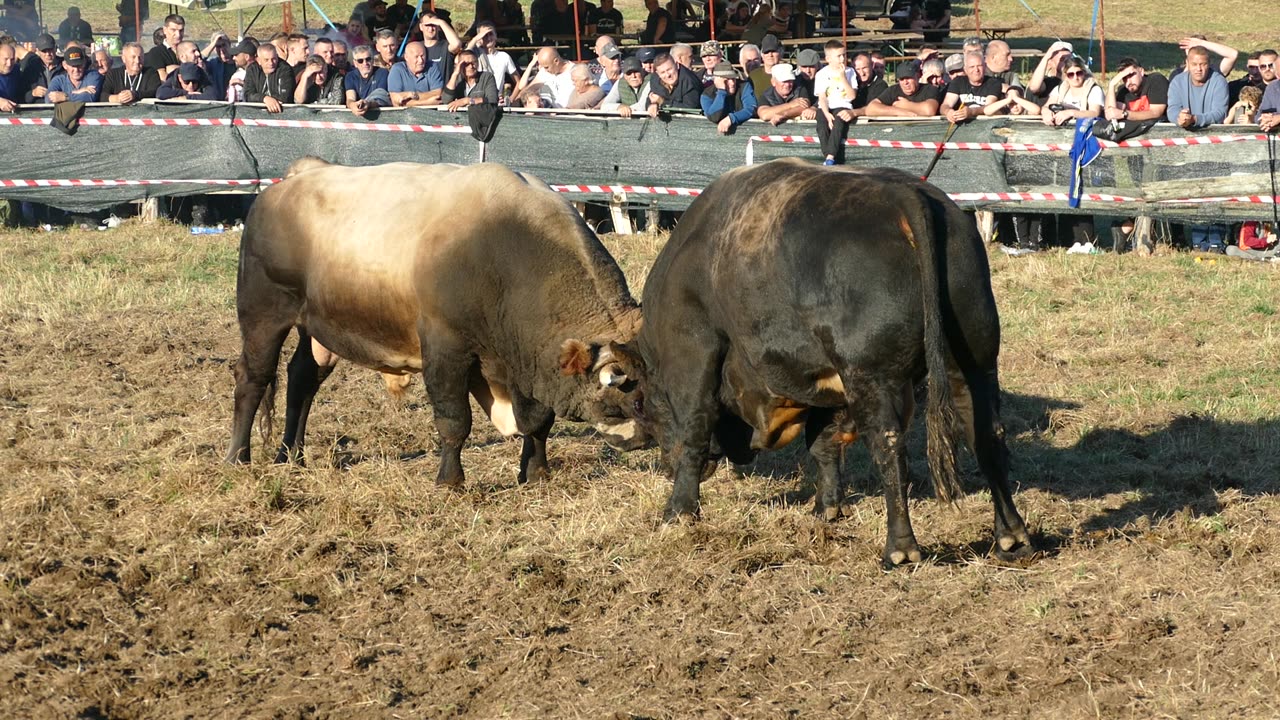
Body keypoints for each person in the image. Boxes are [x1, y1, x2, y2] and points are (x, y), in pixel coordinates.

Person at [815, 40, 857, 165]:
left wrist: (843, 77)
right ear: (828, 59)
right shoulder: (821, 74)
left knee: (838, 123)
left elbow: (852, 96)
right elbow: (822, 97)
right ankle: (827, 156)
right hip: (826, 106)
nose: (842, 59)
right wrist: (826, 113)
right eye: (839, 56)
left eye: (844, 55)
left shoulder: (850, 72)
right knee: (822, 125)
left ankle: (830, 156)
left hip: (843, 105)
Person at [1166, 46, 1228, 128]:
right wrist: (1180, 118)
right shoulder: (1177, 82)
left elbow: (1220, 113)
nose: (1199, 69)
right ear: (1187, 63)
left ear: (1209, 64)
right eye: (1194, 64)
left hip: (1212, 131)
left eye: (1203, 64)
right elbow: (1172, 109)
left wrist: (1195, 119)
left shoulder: (1219, 82)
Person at [1104, 57, 1169, 129]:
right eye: (1124, 78)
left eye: (1131, 75)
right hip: (1136, 133)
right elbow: (1110, 114)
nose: (1129, 82)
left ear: (1141, 72)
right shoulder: (1123, 91)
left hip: (1161, 131)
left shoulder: (1155, 81)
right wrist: (1111, 85)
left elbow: (1156, 113)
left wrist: (1125, 114)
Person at [940, 50, 1003, 122]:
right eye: (972, 67)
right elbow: (946, 105)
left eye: (979, 66)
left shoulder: (993, 83)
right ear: (965, 69)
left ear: (985, 66)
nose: (976, 70)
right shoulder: (958, 82)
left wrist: (971, 112)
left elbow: (989, 108)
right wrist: (948, 112)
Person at [1040, 56, 1102, 126]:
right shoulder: (1060, 89)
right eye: (1071, 74)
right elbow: (1046, 106)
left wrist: (1071, 113)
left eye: (1079, 73)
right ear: (1066, 76)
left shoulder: (1094, 90)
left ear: (1084, 73)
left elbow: (1095, 113)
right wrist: (1046, 112)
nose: (1075, 78)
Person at [864, 61, 940, 117]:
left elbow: (929, 110)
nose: (905, 82)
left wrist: (906, 105)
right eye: (902, 79)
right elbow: (870, 109)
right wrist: (899, 111)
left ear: (917, 76)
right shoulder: (893, 90)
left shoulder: (929, 89)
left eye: (908, 78)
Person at [700, 60, 756, 134]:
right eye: (727, 80)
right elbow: (713, 117)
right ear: (717, 81)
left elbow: (751, 108)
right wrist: (721, 92)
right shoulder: (707, 95)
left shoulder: (744, 86)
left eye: (733, 78)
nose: (732, 83)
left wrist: (731, 118)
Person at [468, 22, 517, 100]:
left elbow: (518, 81)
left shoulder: (504, 56)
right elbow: (465, 54)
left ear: (495, 36)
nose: (488, 38)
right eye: (485, 35)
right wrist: (475, 39)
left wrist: (510, 99)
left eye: (490, 34)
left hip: (496, 100)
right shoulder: (474, 56)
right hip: (476, 100)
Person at [243, 42, 295, 113]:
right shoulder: (252, 69)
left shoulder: (285, 69)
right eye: (266, 60)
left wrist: (267, 100)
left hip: (281, 112)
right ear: (259, 60)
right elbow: (248, 95)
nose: (271, 63)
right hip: (256, 112)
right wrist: (265, 99)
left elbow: (285, 97)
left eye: (274, 59)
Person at [388, 41, 444, 106]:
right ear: (406, 57)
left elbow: (438, 94)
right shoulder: (397, 70)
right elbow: (396, 102)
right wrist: (426, 102)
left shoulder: (432, 67)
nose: (421, 60)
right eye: (416, 57)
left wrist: (412, 95)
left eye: (422, 56)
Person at [647, 51, 702, 116]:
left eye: (669, 69)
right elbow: (650, 99)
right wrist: (652, 105)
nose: (667, 75)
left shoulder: (689, 82)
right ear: (657, 73)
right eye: (662, 72)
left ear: (677, 65)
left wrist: (663, 102)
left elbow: (691, 109)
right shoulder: (655, 79)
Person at [344, 44, 391, 116]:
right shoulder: (350, 76)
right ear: (355, 63)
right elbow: (350, 98)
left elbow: (381, 98)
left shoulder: (382, 73)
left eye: (368, 59)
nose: (365, 63)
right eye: (360, 61)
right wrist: (353, 105)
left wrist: (368, 104)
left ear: (372, 60)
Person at [417, 11, 462, 83]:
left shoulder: (445, 46)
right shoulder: (417, 47)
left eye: (434, 25)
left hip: (444, 89)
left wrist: (442, 22)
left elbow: (457, 44)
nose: (430, 29)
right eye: (427, 25)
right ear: (421, 27)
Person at [21, 33, 62, 103]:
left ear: (55, 48)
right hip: (38, 109)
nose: (48, 54)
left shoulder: (66, 67)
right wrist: (33, 93)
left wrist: (64, 96)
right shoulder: (30, 69)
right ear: (37, 51)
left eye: (50, 50)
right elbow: (20, 96)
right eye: (44, 51)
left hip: (61, 107)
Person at [145, 14, 184, 80]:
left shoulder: (189, 49)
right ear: (165, 30)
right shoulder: (156, 52)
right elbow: (163, 79)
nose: (178, 35)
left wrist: (175, 69)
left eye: (181, 30)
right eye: (173, 30)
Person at [0, 42, 25, 112]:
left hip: (13, 114)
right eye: (6, 59)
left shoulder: (16, 70)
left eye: (12, 59)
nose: (9, 64)